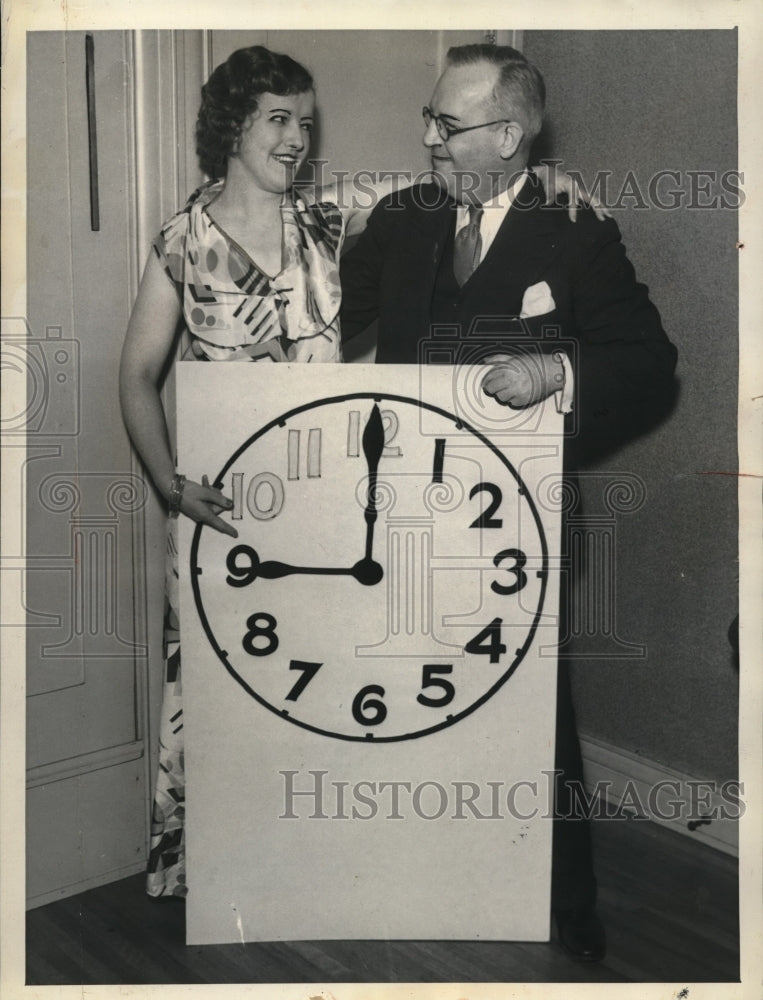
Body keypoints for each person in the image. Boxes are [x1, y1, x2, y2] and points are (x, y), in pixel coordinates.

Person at [119, 41, 612, 904]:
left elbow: (461, 186)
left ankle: (353, 880)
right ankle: (244, 881)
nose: (296, 141)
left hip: (367, 509)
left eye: (305, 125)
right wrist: (170, 483)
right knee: (243, 696)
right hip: (242, 513)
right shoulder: (193, 237)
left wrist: (547, 183)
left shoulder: (333, 219)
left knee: (382, 691)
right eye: (278, 119)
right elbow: (140, 371)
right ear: (232, 125)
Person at [339, 43, 678, 962]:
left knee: (532, 712)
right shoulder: (405, 220)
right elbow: (327, 308)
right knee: (405, 698)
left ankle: (565, 905)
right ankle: (411, 884)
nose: (428, 140)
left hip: (515, 528)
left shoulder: (575, 229)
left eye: (445, 125)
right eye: (429, 118)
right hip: (403, 513)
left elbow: (649, 365)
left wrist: (554, 370)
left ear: (507, 135)